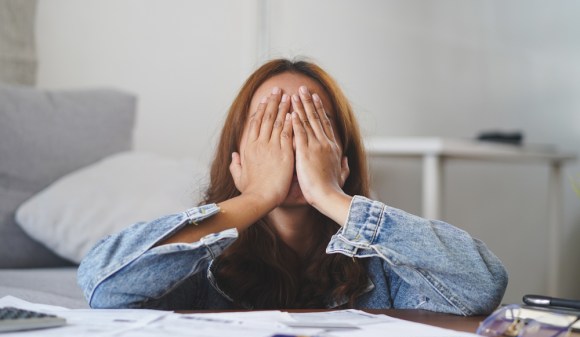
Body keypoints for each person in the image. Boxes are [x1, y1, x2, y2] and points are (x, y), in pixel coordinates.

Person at [78, 58, 508, 315]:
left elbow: (482, 284)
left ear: (341, 160)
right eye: (271, 126)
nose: (292, 144)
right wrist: (254, 198)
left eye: (309, 125)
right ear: (238, 160)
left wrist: (331, 197)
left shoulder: (382, 264)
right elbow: (103, 286)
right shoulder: (199, 260)